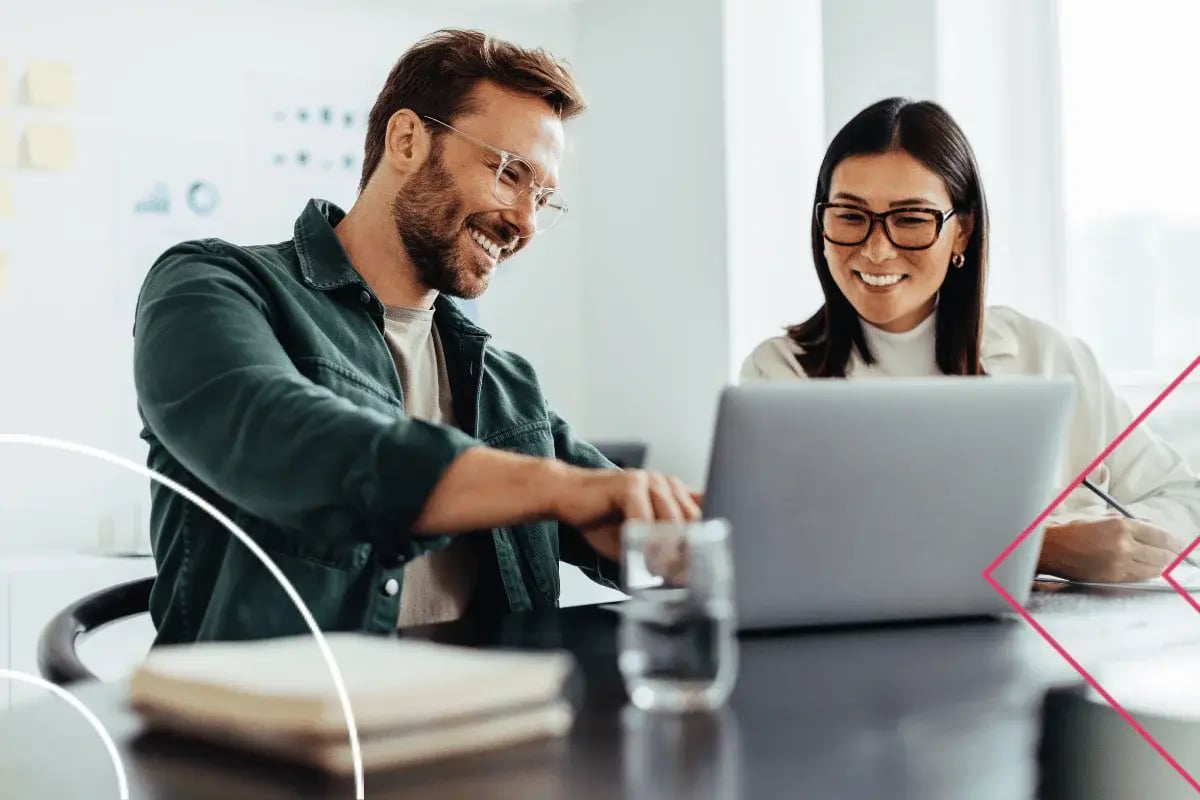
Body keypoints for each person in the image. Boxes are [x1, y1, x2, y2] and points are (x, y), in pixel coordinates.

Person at [132, 29, 700, 645]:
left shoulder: (506, 385)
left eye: (543, 198)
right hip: (283, 727)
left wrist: (678, 533)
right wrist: (556, 489)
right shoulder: (213, 284)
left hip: (489, 722)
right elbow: (281, 433)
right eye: (510, 174)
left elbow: (615, 507)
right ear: (407, 139)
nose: (525, 223)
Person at [740, 97, 1200, 585]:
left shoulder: (1045, 356)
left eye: (911, 219)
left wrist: (1119, 542)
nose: (876, 249)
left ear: (961, 232)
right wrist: (1043, 549)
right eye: (850, 216)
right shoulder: (779, 373)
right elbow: (792, 546)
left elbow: (1186, 501)